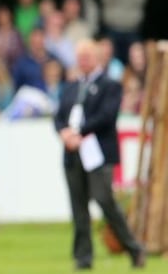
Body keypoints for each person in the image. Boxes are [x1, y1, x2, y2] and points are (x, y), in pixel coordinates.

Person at [53, 39, 145, 270]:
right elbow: (59, 115)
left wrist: (79, 132)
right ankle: (83, 257)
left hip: (98, 153)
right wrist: (64, 133)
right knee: (78, 207)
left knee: (105, 201)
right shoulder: (71, 86)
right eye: (80, 57)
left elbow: (107, 116)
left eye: (87, 57)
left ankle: (133, 247)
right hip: (72, 153)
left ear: (96, 58)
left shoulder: (110, 85)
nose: (83, 61)